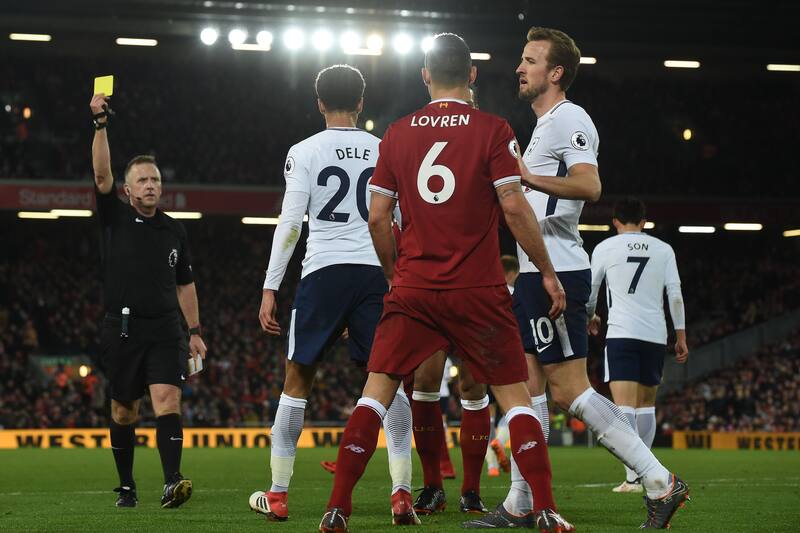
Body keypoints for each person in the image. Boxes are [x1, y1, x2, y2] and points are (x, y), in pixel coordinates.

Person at [319, 33, 573, 533]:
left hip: (414, 287)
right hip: (478, 289)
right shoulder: (494, 130)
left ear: (425, 75)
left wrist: (395, 276)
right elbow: (514, 205)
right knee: (514, 397)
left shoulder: (396, 134)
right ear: (472, 75)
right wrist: (545, 270)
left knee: (375, 395)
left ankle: (337, 508)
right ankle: (543, 507)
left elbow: (376, 217)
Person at [465, 27, 689, 530]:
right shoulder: (542, 124)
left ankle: (660, 480)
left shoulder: (571, 118)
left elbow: (590, 185)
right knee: (528, 390)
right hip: (532, 270)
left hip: (559, 267)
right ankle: (522, 502)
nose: (519, 68)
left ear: (556, 72)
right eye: (521, 60)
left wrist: (524, 175)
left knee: (570, 391)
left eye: (530, 60)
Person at [248, 64, 416, 525]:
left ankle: (279, 494)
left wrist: (270, 286)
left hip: (323, 272)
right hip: (375, 275)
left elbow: (290, 223)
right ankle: (401, 493)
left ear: (318, 102)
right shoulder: (386, 148)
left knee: (297, 380)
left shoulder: (303, 151)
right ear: (361, 103)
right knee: (388, 383)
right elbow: (399, 221)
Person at [89, 93, 207, 509]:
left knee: (167, 400)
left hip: (165, 330)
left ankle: (172, 481)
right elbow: (101, 174)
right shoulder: (115, 216)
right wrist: (101, 125)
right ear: (128, 189)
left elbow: (185, 284)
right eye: (142, 180)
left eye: (155, 179)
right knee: (124, 411)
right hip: (121, 329)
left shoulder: (175, 230)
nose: (151, 185)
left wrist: (193, 331)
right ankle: (126, 486)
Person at [587, 197, 689, 493]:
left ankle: (633, 478)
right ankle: (647, 473)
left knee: (623, 408)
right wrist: (680, 335)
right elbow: (676, 293)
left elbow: (592, 289)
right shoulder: (663, 249)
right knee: (646, 406)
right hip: (655, 335)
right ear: (644, 222)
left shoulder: (605, 247)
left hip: (621, 333)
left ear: (615, 221)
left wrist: (591, 316)